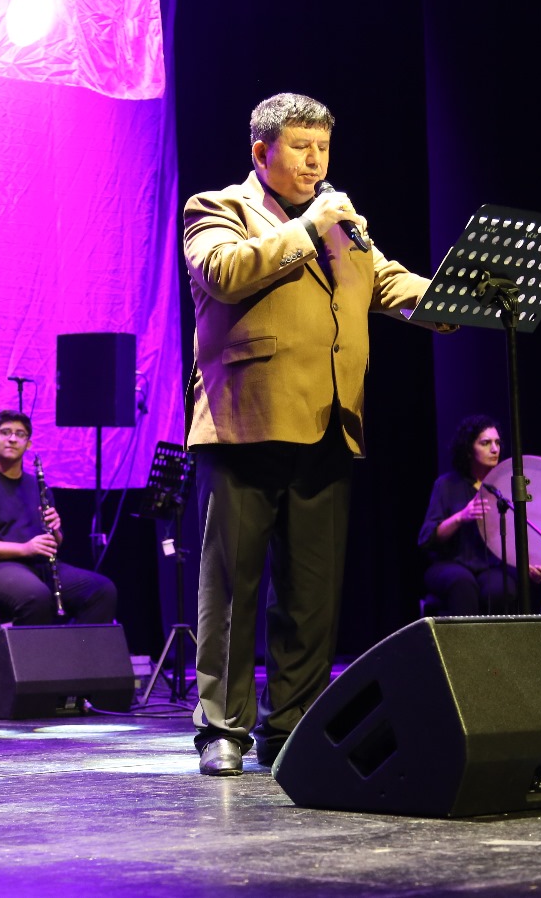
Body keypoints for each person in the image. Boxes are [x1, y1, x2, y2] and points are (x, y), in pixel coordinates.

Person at [183, 92, 445, 777]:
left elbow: (387, 282)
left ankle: (292, 726)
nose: (315, 162)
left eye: (323, 149)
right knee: (231, 589)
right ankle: (223, 728)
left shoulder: (341, 224)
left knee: (311, 595)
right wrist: (308, 227)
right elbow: (224, 273)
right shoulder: (217, 208)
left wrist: (455, 298)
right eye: (301, 148)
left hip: (330, 424)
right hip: (244, 423)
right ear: (261, 151)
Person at [0, 410, 117, 626]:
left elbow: (55, 544)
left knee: (101, 590)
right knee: (35, 595)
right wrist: (25, 549)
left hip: (35, 566)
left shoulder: (37, 486)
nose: (12, 439)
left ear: (28, 444)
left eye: (20, 434)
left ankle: (77, 649)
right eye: (5, 432)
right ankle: (32, 650)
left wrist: (55, 530)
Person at [417, 415, 541, 616]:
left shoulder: (505, 487)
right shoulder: (447, 485)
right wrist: (461, 517)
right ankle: (463, 638)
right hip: (451, 563)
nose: (495, 449)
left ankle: (498, 638)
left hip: (491, 566)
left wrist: (526, 564)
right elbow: (428, 538)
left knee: (501, 588)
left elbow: (514, 538)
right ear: (469, 450)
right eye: (485, 443)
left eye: (497, 443)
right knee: (462, 584)